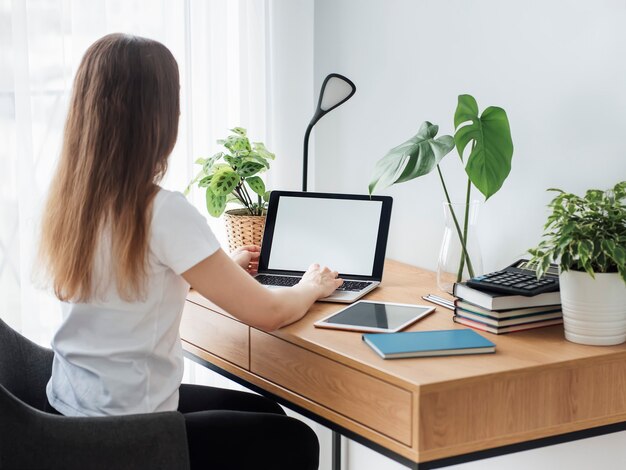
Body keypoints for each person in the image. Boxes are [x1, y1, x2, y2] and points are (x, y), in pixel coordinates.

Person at [38, 33, 342, 470]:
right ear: (156, 118)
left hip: (68, 418)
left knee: (267, 415)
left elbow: (126, 286)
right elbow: (269, 313)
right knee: (294, 440)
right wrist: (310, 286)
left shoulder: (74, 201)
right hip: (127, 439)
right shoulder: (160, 210)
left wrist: (209, 273)